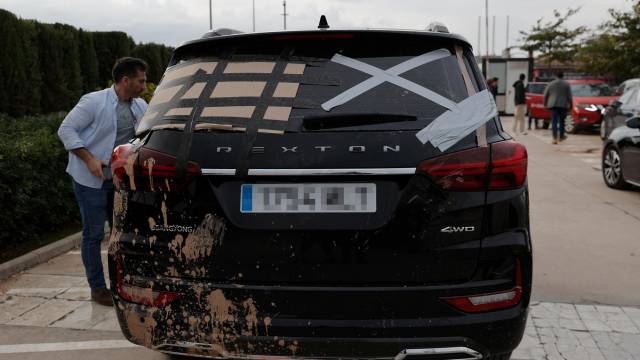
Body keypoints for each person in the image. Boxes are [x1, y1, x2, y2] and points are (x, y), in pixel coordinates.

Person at [58, 57, 148, 306]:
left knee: (121, 235)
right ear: (125, 80)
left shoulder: (140, 106)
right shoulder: (94, 101)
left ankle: (123, 284)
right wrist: (89, 159)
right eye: (141, 80)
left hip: (119, 181)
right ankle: (98, 288)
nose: (144, 85)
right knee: (94, 234)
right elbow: (66, 129)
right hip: (90, 180)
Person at [543, 71, 572, 144]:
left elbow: (546, 95)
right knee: (562, 121)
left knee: (554, 121)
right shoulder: (566, 84)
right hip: (563, 105)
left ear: (556, 76)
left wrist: (545, 104)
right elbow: (569, 96)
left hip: (553, 105)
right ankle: (561, 136)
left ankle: (554, 137)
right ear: (563, 76)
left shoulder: (551, 84)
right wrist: (570, 105)